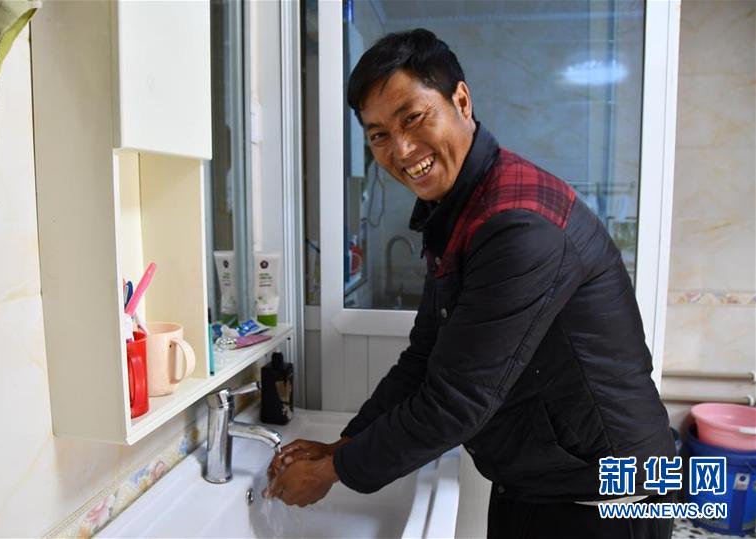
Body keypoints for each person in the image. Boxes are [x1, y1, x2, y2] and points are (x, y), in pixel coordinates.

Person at [265, 29, 676, 538]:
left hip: (604, 501)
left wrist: (332, 471)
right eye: (379, 135)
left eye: (413, 118)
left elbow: (454, 402)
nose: (401, 149)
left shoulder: (518, 225)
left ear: (461, 100)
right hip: (542, 484)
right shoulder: (462, 212)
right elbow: (425, 358)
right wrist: (342, 445)